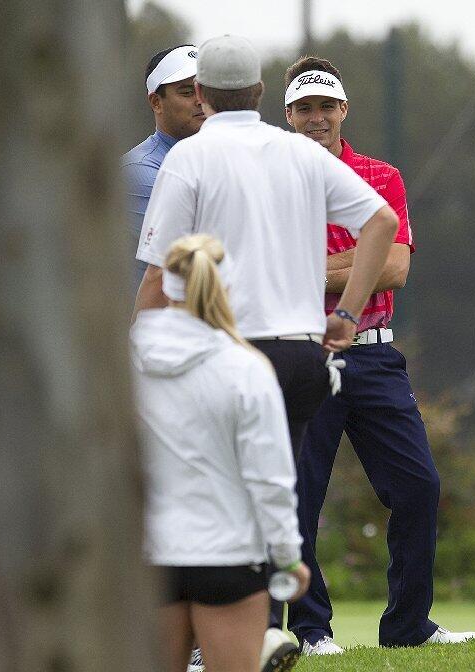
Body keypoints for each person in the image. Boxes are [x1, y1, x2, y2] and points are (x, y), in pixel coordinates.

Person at [280, 56, 475, 652]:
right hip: (300, 353)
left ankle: (409, 626)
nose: (317, 118)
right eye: (305, 108)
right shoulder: (276, 179)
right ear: (288, 114)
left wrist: (309, 272)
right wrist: (356, 264)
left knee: (419, 486)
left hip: (373, 353)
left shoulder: (378, 175)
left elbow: (394, 267)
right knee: (300, 499)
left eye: (326, 107)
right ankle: (312, 630)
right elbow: (363, 262)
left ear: (344, 110)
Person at [134, 35, 399, 460]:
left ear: (201, 94)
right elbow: (382, 222)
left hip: (232, 353)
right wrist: (347, 315)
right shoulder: (300, 152)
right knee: (280, 501)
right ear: (258, 91)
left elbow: (157, 275)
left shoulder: (188, 158)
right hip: (303, 357)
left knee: (227, 499)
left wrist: (135, 357)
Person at [131, 234, 311, 672]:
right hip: (228, 553)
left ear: (162, 283)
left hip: (149, 555)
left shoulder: (123, 360)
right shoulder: (245, 367)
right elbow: (270, 476)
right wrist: (288, 555)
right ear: (227, 288)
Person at [122, 44, 204, 288]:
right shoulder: (139, 170)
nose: (201, 101)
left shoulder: (222, 157)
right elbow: (192, 262)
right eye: (187, 92)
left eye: (206, 90)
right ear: (156, 102)